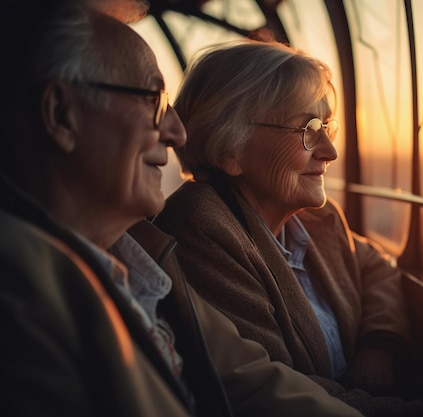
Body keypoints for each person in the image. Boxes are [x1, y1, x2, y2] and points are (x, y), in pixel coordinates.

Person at [0, 2, 367, 416]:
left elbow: (247, 379)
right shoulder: (22, 291)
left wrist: (383, 345)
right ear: (61, 115)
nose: (176, 132)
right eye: (153, 100)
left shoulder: (137, 252)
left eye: (325, 127)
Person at [153, 39, 421, 416]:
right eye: (309, 129)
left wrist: (379, 344)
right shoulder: (201, 229)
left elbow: (376, 267)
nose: (330, 151)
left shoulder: (315, 220)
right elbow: (270, 395)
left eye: (327, 126)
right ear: (229, 149)